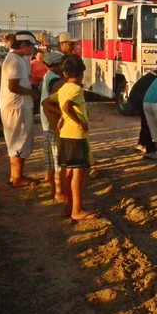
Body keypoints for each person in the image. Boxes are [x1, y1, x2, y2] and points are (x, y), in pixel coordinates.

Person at [55, 54, 97, 221]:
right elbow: (67, 106)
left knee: (69, 171)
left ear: (64, 73)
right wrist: (80, 122)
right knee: (78, 173)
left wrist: (61, 119)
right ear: (82, 73)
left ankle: (69, 206)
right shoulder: (77, 89)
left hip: (65, 134)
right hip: (76, 135)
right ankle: (77, 210)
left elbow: (52, 104)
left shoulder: (63, 88)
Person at [0, 31, 40, 187]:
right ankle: (17, 178)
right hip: (16, 107)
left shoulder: (19, 59)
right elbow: (13, 86)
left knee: (17, 141)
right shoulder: (14, 60)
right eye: (31, 46)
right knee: (19, 141)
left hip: (18, 106)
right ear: (23, 45)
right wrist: (31, 92)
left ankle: (15, 176)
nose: (32, 50)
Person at [39, 51, 65, 201]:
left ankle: (52, 189)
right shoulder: (56, 80)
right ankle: (59, 192)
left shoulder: (47, 76)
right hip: (54, 123)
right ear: (57, 65)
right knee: (58, 162)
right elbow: (53, 103)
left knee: (50, 161)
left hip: (46, 123)